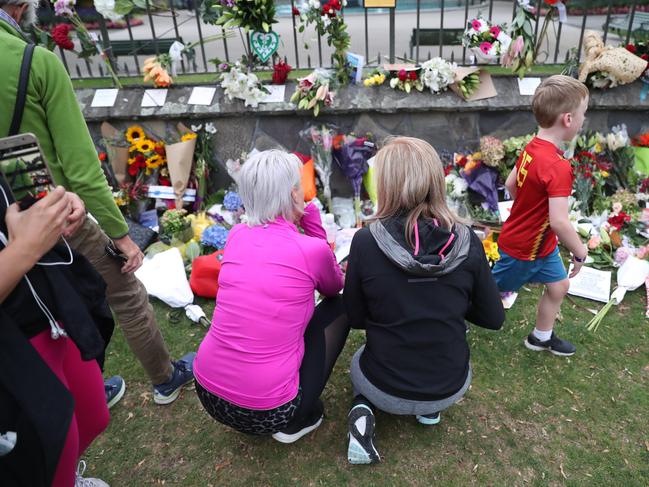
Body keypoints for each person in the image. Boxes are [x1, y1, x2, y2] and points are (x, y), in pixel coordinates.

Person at [0, 0, 195, 406]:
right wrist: (123, 238)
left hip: (4, 224)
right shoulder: (33, 62)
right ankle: (164, 378)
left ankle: (79, 385)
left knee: (38, 310)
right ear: (20, 7)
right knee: (125, 292)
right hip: (51, 213)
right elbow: (82, 169)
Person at [342, 137, 504, 465]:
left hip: (384, 383)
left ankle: (363, 408)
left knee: (359, 359)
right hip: (448, 384)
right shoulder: (468, 240)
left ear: (386, 183)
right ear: (435, 180)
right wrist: (448, 300)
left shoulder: (364, 242)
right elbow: (493, 317)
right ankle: (430, 411)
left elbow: (355, 318)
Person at [194, 150, 348, 443]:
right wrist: (312, 219)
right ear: (293, 193)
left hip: (207, 391)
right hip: (270, 411)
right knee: (339, 307)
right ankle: (296, 422)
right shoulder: (310, 250)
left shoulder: (237, 234)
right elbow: (333, 286)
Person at [0, 181, 110, 486]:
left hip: (49, 309)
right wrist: (26, 247)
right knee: (49, 453)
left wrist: (51, 207)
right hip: (12, 344)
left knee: (93, 416)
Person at [492, 75, 589, 357]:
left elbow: (511, 185)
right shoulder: (558, 166)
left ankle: (541, 337)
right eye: (583, 114)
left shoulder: (532, 147)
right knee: (487, 288)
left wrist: (530, 208)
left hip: (541, 245)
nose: (584, 120)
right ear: (568, 119)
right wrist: (580, 251)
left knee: (559, 286)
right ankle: (449, 317)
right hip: (523, 249)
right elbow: (559, 221)